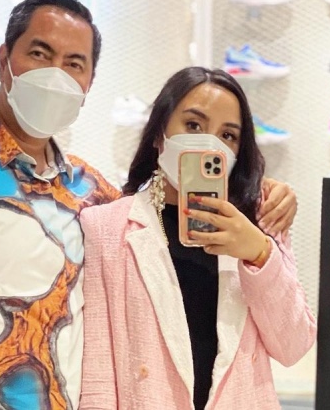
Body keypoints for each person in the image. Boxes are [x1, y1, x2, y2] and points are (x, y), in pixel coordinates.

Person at [0, 0, 298, 409]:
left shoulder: (87, 189)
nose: (56, 75)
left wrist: (261, 191)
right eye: (40, 54)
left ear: (88, 83)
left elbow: (147, 218)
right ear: (4, 60)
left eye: (74, 63)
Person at [79, 67, 317, 410]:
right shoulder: (106, 227)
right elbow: (98, 377)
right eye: (193, 125)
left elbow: (293, 346)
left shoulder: (260, 222)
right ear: (159, 134)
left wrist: (259, 253)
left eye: (228, 135)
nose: (210, 144)